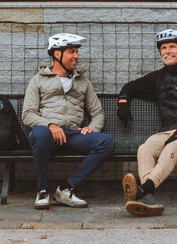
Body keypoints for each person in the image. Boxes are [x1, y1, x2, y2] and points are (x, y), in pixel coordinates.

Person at [115, 28, 177, 217]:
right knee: (145, 149)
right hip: (168, 132)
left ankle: (142, 190)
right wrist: (123, 102)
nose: (167, 51)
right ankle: (147, 200)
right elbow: (131, 86)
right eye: (163, 48)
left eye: (172, 47)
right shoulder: (158, 77)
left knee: (171, 149)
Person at [21, 32, 113, 210]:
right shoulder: (38, 80)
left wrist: (92, 127)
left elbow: (98, 113)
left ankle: (66, 188)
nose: (76, 56)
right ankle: (42, 190)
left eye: (76, 51)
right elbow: (28, 114)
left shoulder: (83, 81)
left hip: (72, 134)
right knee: (39, 133)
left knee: (107, 142)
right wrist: (50, 125)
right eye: (71, 51)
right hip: (47, 134)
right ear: (57, 54)